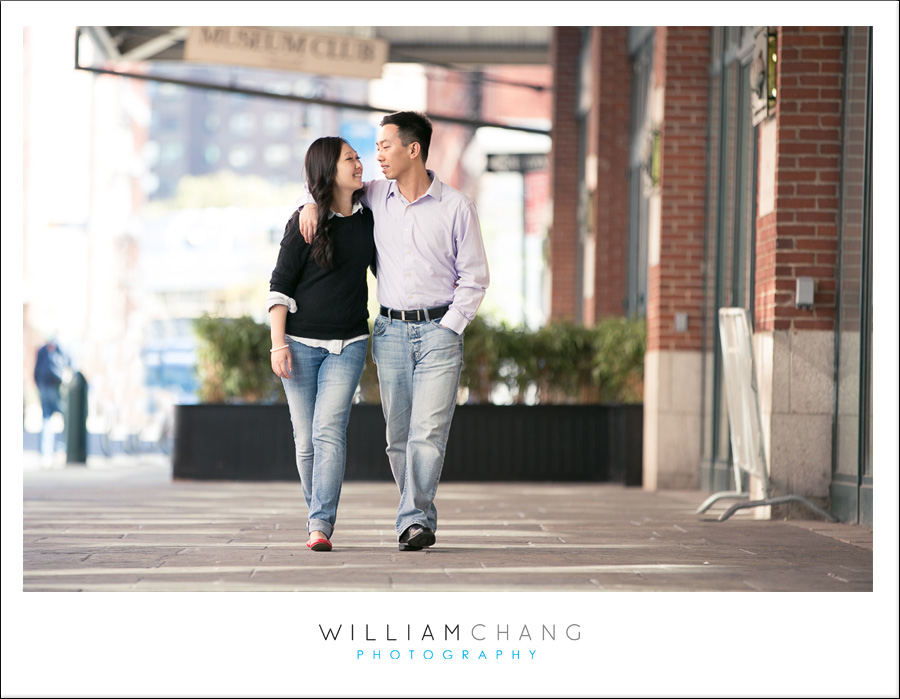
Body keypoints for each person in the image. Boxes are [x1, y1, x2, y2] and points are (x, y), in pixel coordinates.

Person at [300, 111, 490, 551]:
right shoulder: (374, 196)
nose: (378, 155)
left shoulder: (457, 207)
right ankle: (419, 515)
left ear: (413, 149)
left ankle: (413, 520)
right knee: (397, 438)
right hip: (389, 332)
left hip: (440, 333)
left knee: (428, 432)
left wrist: (450, 328)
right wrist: (307, 204)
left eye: (385, 145)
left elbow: (475, 277)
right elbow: (328, 191)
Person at [268, 136, 376, 552]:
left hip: (348, 343)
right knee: (305, 440)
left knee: (329, 431)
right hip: (298, 345)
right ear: (329, 169)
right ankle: (316, 513)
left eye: (359, 157)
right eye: (350, 159)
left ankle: (319, 524)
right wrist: (278, 344)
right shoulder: (305, 220)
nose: (360, 164)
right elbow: (280, 286)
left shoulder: (371, 215)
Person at [33, 337, 70, 462]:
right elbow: (71, 366)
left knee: (46, 419)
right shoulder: (62, 348)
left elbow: (36, 371)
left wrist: (38, 386)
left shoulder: (43, 349)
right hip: (57, 387)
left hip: (44, 386)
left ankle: (45, 453)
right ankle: (62, 448)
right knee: (67, 418)